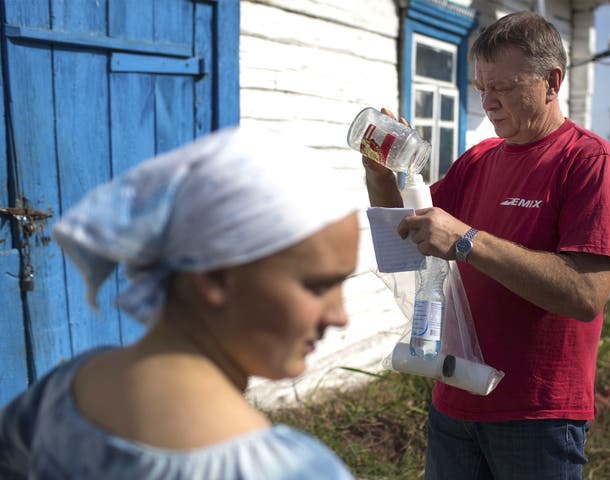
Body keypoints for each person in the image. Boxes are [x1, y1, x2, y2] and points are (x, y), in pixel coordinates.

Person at [362, 11, 610, 480]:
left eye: (504, 87)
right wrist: (379, 175)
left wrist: (468, 242)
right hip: (454, 395)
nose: (488, 101)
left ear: (552, 82)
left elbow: (585, 295)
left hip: (536, 415)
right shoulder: (480, 159)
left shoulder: (591, 163)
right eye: (480, 87)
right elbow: (411, 236)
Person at [0, 126, 359, 479]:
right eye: (319, 286)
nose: (340, 316)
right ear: (216, 276)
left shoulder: (66, 390)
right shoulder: (289, 469)